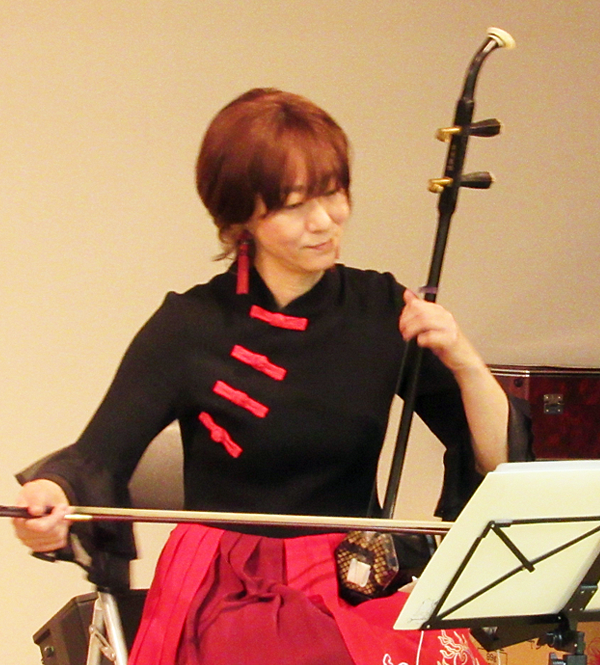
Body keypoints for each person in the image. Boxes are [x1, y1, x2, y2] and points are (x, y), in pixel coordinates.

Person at [13, 88, 531, 665]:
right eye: (292, 205)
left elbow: (498, 459)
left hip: (355, 579)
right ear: (240, 218)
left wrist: (463, 360)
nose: (324, 221)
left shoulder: (381, 308)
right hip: (231, 588)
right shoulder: (190, 325)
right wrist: (51, 496)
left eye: (333, 193)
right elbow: (96, 459)